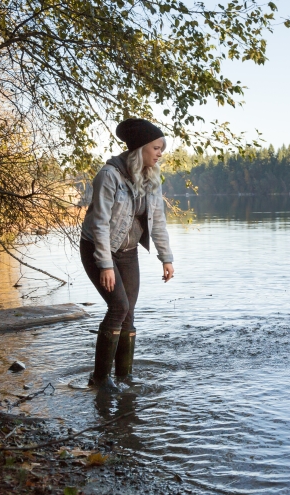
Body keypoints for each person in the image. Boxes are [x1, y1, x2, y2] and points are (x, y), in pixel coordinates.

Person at [80, 118, 174, 392]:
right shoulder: (109, 176)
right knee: (118, 307)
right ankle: (100, 379)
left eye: (161, 149)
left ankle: (123, 377)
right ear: (140, 148)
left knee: (129, 313)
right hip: (99, 249)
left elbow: (158, 222)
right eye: (156, 148)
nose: (159, 154)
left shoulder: (151, 179)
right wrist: (105, 264)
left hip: (129, 252)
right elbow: (99, 224)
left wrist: (166, 258)